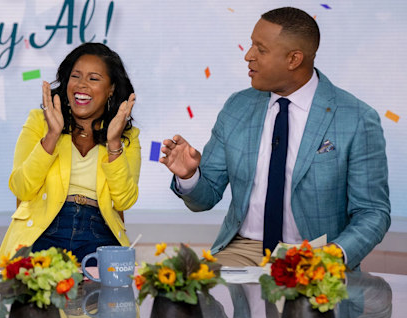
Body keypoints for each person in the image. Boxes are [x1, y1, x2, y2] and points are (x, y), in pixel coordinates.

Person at [160, 7, 390, 269]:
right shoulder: (237, 107)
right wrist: (190, 176)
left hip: (315, 254)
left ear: (294, 59)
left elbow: (373, 213)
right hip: (243, 248)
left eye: (261, 49)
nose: (248, 56)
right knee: (183, 296)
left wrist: (331, 257)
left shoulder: (357, 118)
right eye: (251, 45)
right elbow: (205, 198)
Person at [0, 42, 140, 262]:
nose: (82, 85)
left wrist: (113, 144)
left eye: (93, 78)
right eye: (75, 76)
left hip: (99, 230)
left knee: (103, 295)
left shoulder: (127, 137)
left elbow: (124, 201)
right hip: (45, 228)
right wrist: (51, 137)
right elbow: (22, 189)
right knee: (37, 290)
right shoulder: (39, 121)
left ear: (111, 88)